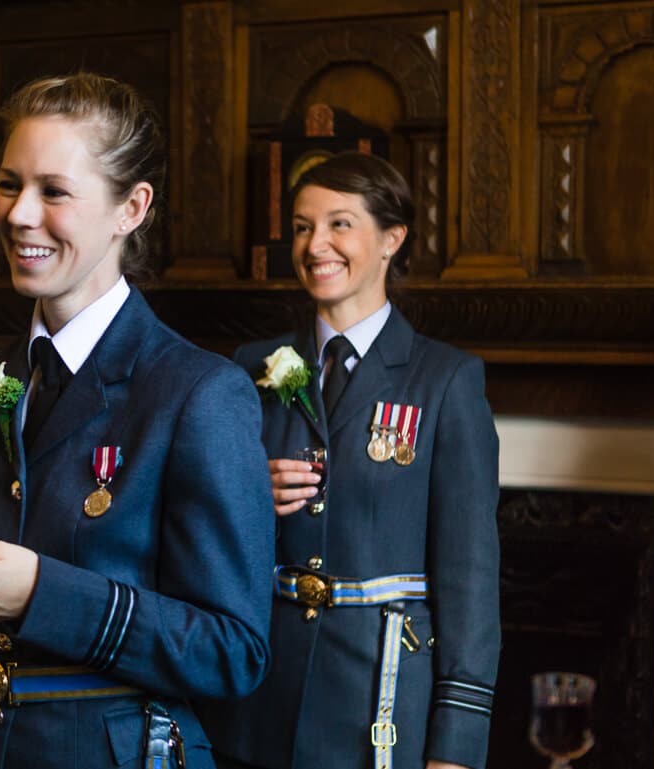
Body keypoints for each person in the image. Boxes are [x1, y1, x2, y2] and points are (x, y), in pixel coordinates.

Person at [0, 73, 276, 769]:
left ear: (130, 208)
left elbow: (234, 651)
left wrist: (41, 594)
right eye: (8, 183)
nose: (19, 214)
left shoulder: (200, 391)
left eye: (53, 191)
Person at [198, 152, 500, 769]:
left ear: (392, 238)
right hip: (255, 706)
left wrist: (457, 746)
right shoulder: (248, 367)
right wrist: (244, 492)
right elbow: (200, 536)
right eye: (303, 226)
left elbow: (470, 579)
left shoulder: (445, 380)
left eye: (339, 224)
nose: (315, 246)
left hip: (379, 708)